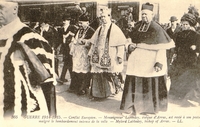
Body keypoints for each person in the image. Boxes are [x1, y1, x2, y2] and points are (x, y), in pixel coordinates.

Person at [0, 0, 56, 119]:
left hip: (16, 105)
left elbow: (47, 80)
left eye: (1, 7)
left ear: (15, 9)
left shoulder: (28, 36)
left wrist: (52, 117)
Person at [120, 2, 175, 116]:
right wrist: (129, 46)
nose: (144, 16)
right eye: (142, 14)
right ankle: (131, 107)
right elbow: (129, 39)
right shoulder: (136, 26)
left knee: (149, 85)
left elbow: (162, 47)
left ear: (152, 15)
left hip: (150, 62)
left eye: (146, 14)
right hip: (135, 62)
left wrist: (159, 62)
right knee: (133, 83)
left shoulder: (157, 28)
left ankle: (148, 109)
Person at [88, 8, 126, 100]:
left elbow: (121, 44)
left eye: (104, 17)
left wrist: (120, 56)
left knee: (112, 73)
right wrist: (90, 53)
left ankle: (117, 87)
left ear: (109, 17)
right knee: (98, 74)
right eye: (101, 17)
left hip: (111, 55)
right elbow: (94, 42)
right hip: (99, 55)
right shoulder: (100, 28)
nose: (103, 19)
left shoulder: (115, 29)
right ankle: (99, 94)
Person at [169, 7, 200, 106]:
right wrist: (175, 53)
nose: (184, 26)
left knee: (190, 77)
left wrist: (195, 47)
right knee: (178, 76)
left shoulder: (196, 35)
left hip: (190, 59)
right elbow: (176, 45)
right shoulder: (179, 34)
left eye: (187, 24)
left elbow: (198, 46)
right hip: (180, 58)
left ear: (190, 25)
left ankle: (190, 97)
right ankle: (178, 96)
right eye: (183, 24)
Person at [70, 15, 95, 95]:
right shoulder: (78, 30)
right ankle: (77, 86)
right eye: (79, 23)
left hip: (85, 53)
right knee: (77, 71)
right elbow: (74, 39)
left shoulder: (91, 31)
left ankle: (84, 87)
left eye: (81, 23)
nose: (80, 24)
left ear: (87, 23)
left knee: (85, 71)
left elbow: (93, 42)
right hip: (77, 53)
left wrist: (84, 41)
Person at [57, 14, 78, 84]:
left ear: (69, 21)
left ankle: (64, 78)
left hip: (70, 47)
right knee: (67, 62)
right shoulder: (61, 29)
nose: (65, 22)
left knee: (68, 63)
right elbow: (59, 38)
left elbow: (76, 35)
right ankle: (70, 78)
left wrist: (69, 34)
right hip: (64, 47)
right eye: (64, 20)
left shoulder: (72, 27)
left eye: (67, 20)